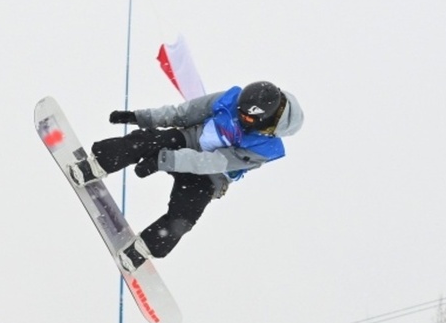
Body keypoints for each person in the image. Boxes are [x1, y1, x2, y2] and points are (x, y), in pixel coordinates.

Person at [69, 81, 304, 269]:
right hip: (187, 141)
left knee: (184, 216)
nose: (241, 118)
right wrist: (140, 117)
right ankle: (95, 166)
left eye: (249, 118)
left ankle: (143, 248)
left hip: (211, 176)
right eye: (240, 112)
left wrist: (164, 160)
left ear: (265, 121)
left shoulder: (265, 148)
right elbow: (183, 113)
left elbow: (213, 161)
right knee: (147, 140)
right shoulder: (230, 99)